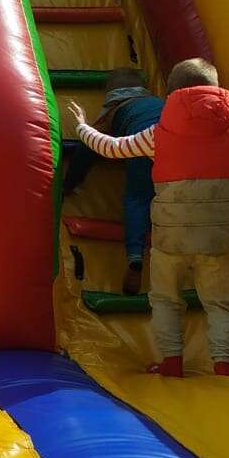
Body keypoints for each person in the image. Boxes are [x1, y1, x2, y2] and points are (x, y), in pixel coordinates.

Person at [70, 54, 229, 377]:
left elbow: (111, 147)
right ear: (216, 89)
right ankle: (224, 364)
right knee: (219, 302)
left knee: (166, 299)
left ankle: (172, 361)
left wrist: (82, 126)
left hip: (171, 238)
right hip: (219, 239)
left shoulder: (157, 134)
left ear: (171, 95)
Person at [63, 67, 163, 295]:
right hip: (174, 144)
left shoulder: (114, 110)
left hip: (143, 145)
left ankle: (135, 256)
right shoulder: (158, 102)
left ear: (110, 94)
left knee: (137, 198)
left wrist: (70, 184)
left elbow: (88, 148)